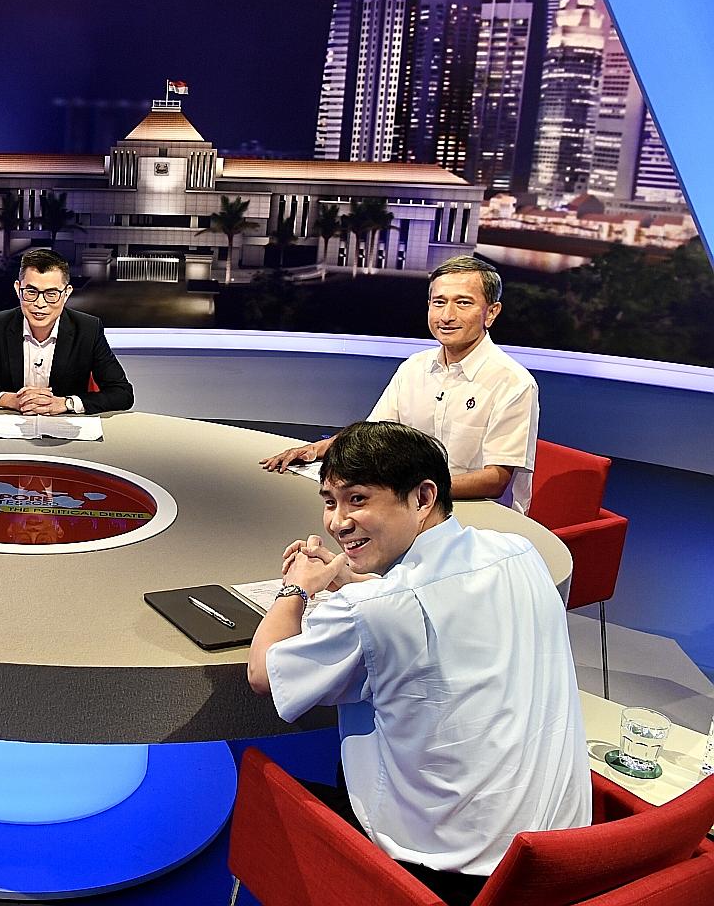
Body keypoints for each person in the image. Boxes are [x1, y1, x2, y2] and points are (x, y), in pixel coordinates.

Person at [247, 421, 589, 906]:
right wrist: (354, 580)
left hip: (441, 872)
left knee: (260, 790)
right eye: (330, 502)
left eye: (358, 499)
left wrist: (296, 588)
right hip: (560, 855)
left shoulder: (371, 611)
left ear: (423, 498)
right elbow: (433, 595)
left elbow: (264, 674)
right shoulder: (518, 551)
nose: (337, 523)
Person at [261, 255, 538, 512]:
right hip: (412, 508)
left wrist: (410, 491)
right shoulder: (414, 367)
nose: (446, 316)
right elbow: (372, 432)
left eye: (463, 303)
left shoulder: (514, 383)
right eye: (439, 302)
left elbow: (495, 480)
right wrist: (315, 450)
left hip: (481, 517)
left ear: (491, 312)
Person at [0, 247, 134, 415]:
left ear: (67, 293)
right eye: (31, 292)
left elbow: (122, 393)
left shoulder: (88, 330)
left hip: (64, 429)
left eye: (51, 294)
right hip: (8, 428)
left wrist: (65, 403)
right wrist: (9, 400)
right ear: (18, 289)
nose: (40, 303)